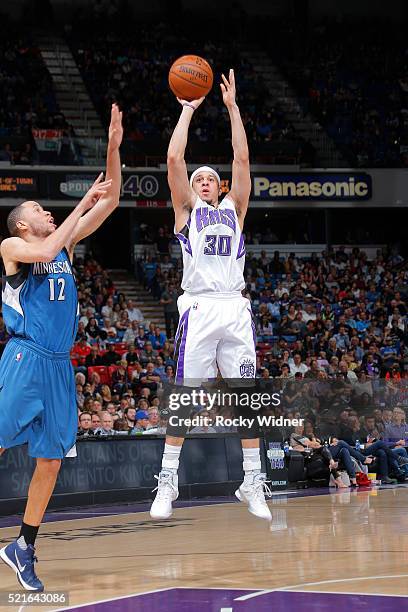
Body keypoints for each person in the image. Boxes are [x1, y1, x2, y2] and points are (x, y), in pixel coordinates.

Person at [0, 104, 123, 591]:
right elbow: (49, 249)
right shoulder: (13, 250)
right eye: (37, 211)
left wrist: (113, 150)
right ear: (21, 225)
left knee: (49, 459)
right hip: (25, 357)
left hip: (59, 366)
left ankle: (22, 546)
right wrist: (78, 207)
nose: (46, 212)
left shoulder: (66, 245)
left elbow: (110, 201)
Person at [150, 70, 271, 522]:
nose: (202, 181)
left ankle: (253, 480)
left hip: (235, 306)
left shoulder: (235, 210)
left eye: (209, 179)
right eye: (198, 179)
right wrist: (186, 111)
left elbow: (241, 159)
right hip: (199, 306)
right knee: (187, 396)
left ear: (220, 187)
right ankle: (167, 480)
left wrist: (234, 109)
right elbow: (174, 159)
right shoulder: (186, 212)